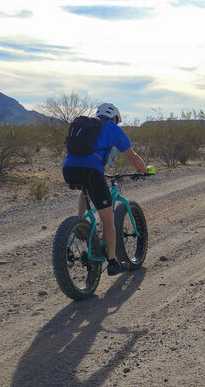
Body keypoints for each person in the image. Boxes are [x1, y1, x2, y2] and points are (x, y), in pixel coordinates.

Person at [62, 102, 150, 275]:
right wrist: (146, 170)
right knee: (108, 220)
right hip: (92, 172)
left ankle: (79, 224)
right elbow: (133, 157)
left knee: (85, 189)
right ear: (115, 118)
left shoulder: (84, 125)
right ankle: (112, 262)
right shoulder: (113, 128)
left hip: (69, 169)